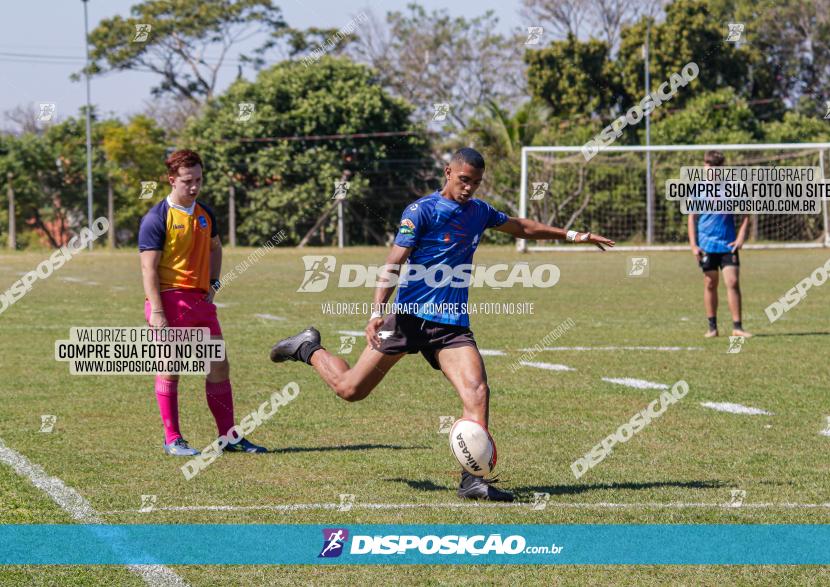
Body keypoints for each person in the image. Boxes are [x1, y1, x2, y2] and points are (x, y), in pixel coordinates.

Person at [270, 147, 614, 500]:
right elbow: (394, 262)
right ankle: (308, 347)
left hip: (450, 326)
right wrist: (376, 313)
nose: (469, 189)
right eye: (464, 180)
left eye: (476, 183)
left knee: (477, 391)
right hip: (407, 320)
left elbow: (521, 226)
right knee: (349, 390)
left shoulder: (479, 212)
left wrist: (574, 235)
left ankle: (473, 480)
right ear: (448, 172)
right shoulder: (421, 211)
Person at [138, 149, 266, 456]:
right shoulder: (157, 218)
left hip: (200, 303)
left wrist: (214, 283)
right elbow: (148, 268)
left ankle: (229, 437)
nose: (194, 186)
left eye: (198, 179)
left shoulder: (205, 214)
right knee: (171, 366)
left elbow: (216, 248)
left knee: (219, 366)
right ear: (171, 180)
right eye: (187, 180)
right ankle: (173, 439)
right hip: (169, 302)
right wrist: (157, 311)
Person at [687, 150, 752, 338]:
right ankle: (712, 327)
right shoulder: (697, 189)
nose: (711, 169)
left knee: (732, 281)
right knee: (710, 283)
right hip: (706, 245)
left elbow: (747, 214)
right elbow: (692, 218)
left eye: (715, 166)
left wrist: (740, 238)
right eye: (708, 165)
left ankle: (737, 327)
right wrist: (693, 245)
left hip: (728, 244)